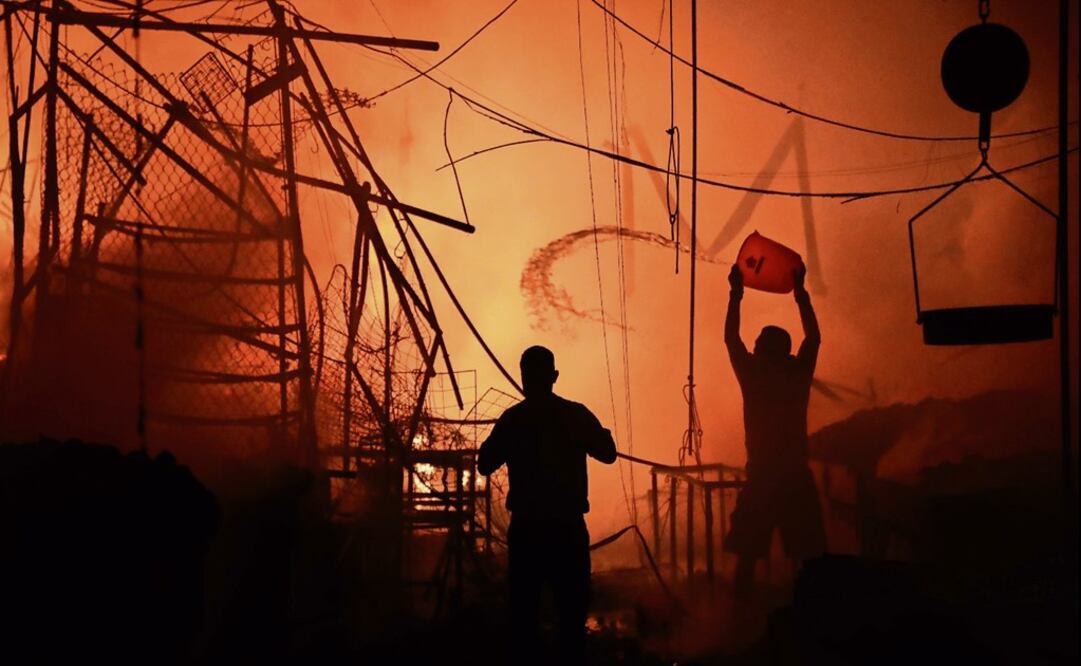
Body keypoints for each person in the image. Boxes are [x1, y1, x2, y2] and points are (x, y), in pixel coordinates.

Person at [478, 345, 617, 663]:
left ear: (524, 379)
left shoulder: (514, 420)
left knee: (524, 617)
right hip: (567, 530)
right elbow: (608, 452)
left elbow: (485, 463)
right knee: (571, 617)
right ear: (554, 377)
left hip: (527, 531)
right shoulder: (574, 415)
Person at [724, 263, 826, 594]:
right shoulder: (797, 374)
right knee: (808, 556)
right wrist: (800, 295)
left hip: (763, 475)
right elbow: (814, 338)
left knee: (748, 558)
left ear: (761, 351)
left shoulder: (753, 376)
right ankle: (810, 621)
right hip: (796, 474)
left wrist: (736, 294)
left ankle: (738, 623)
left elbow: (730, 338)